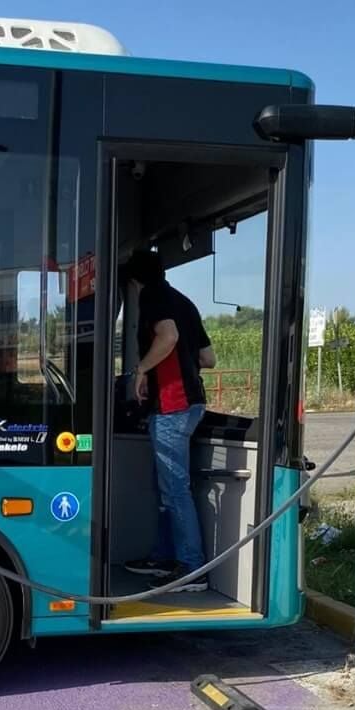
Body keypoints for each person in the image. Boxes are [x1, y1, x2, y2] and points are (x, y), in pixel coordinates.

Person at [121, 248, 216, 592]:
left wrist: (143, 369)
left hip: (172, 404)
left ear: (134, 281)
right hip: (192, 403)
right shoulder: (184, 300)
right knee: (167, 487)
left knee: (175, 490)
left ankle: (192, 569)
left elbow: (169, 335)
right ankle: (165, 556)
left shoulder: (153, 296)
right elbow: (208, 358)